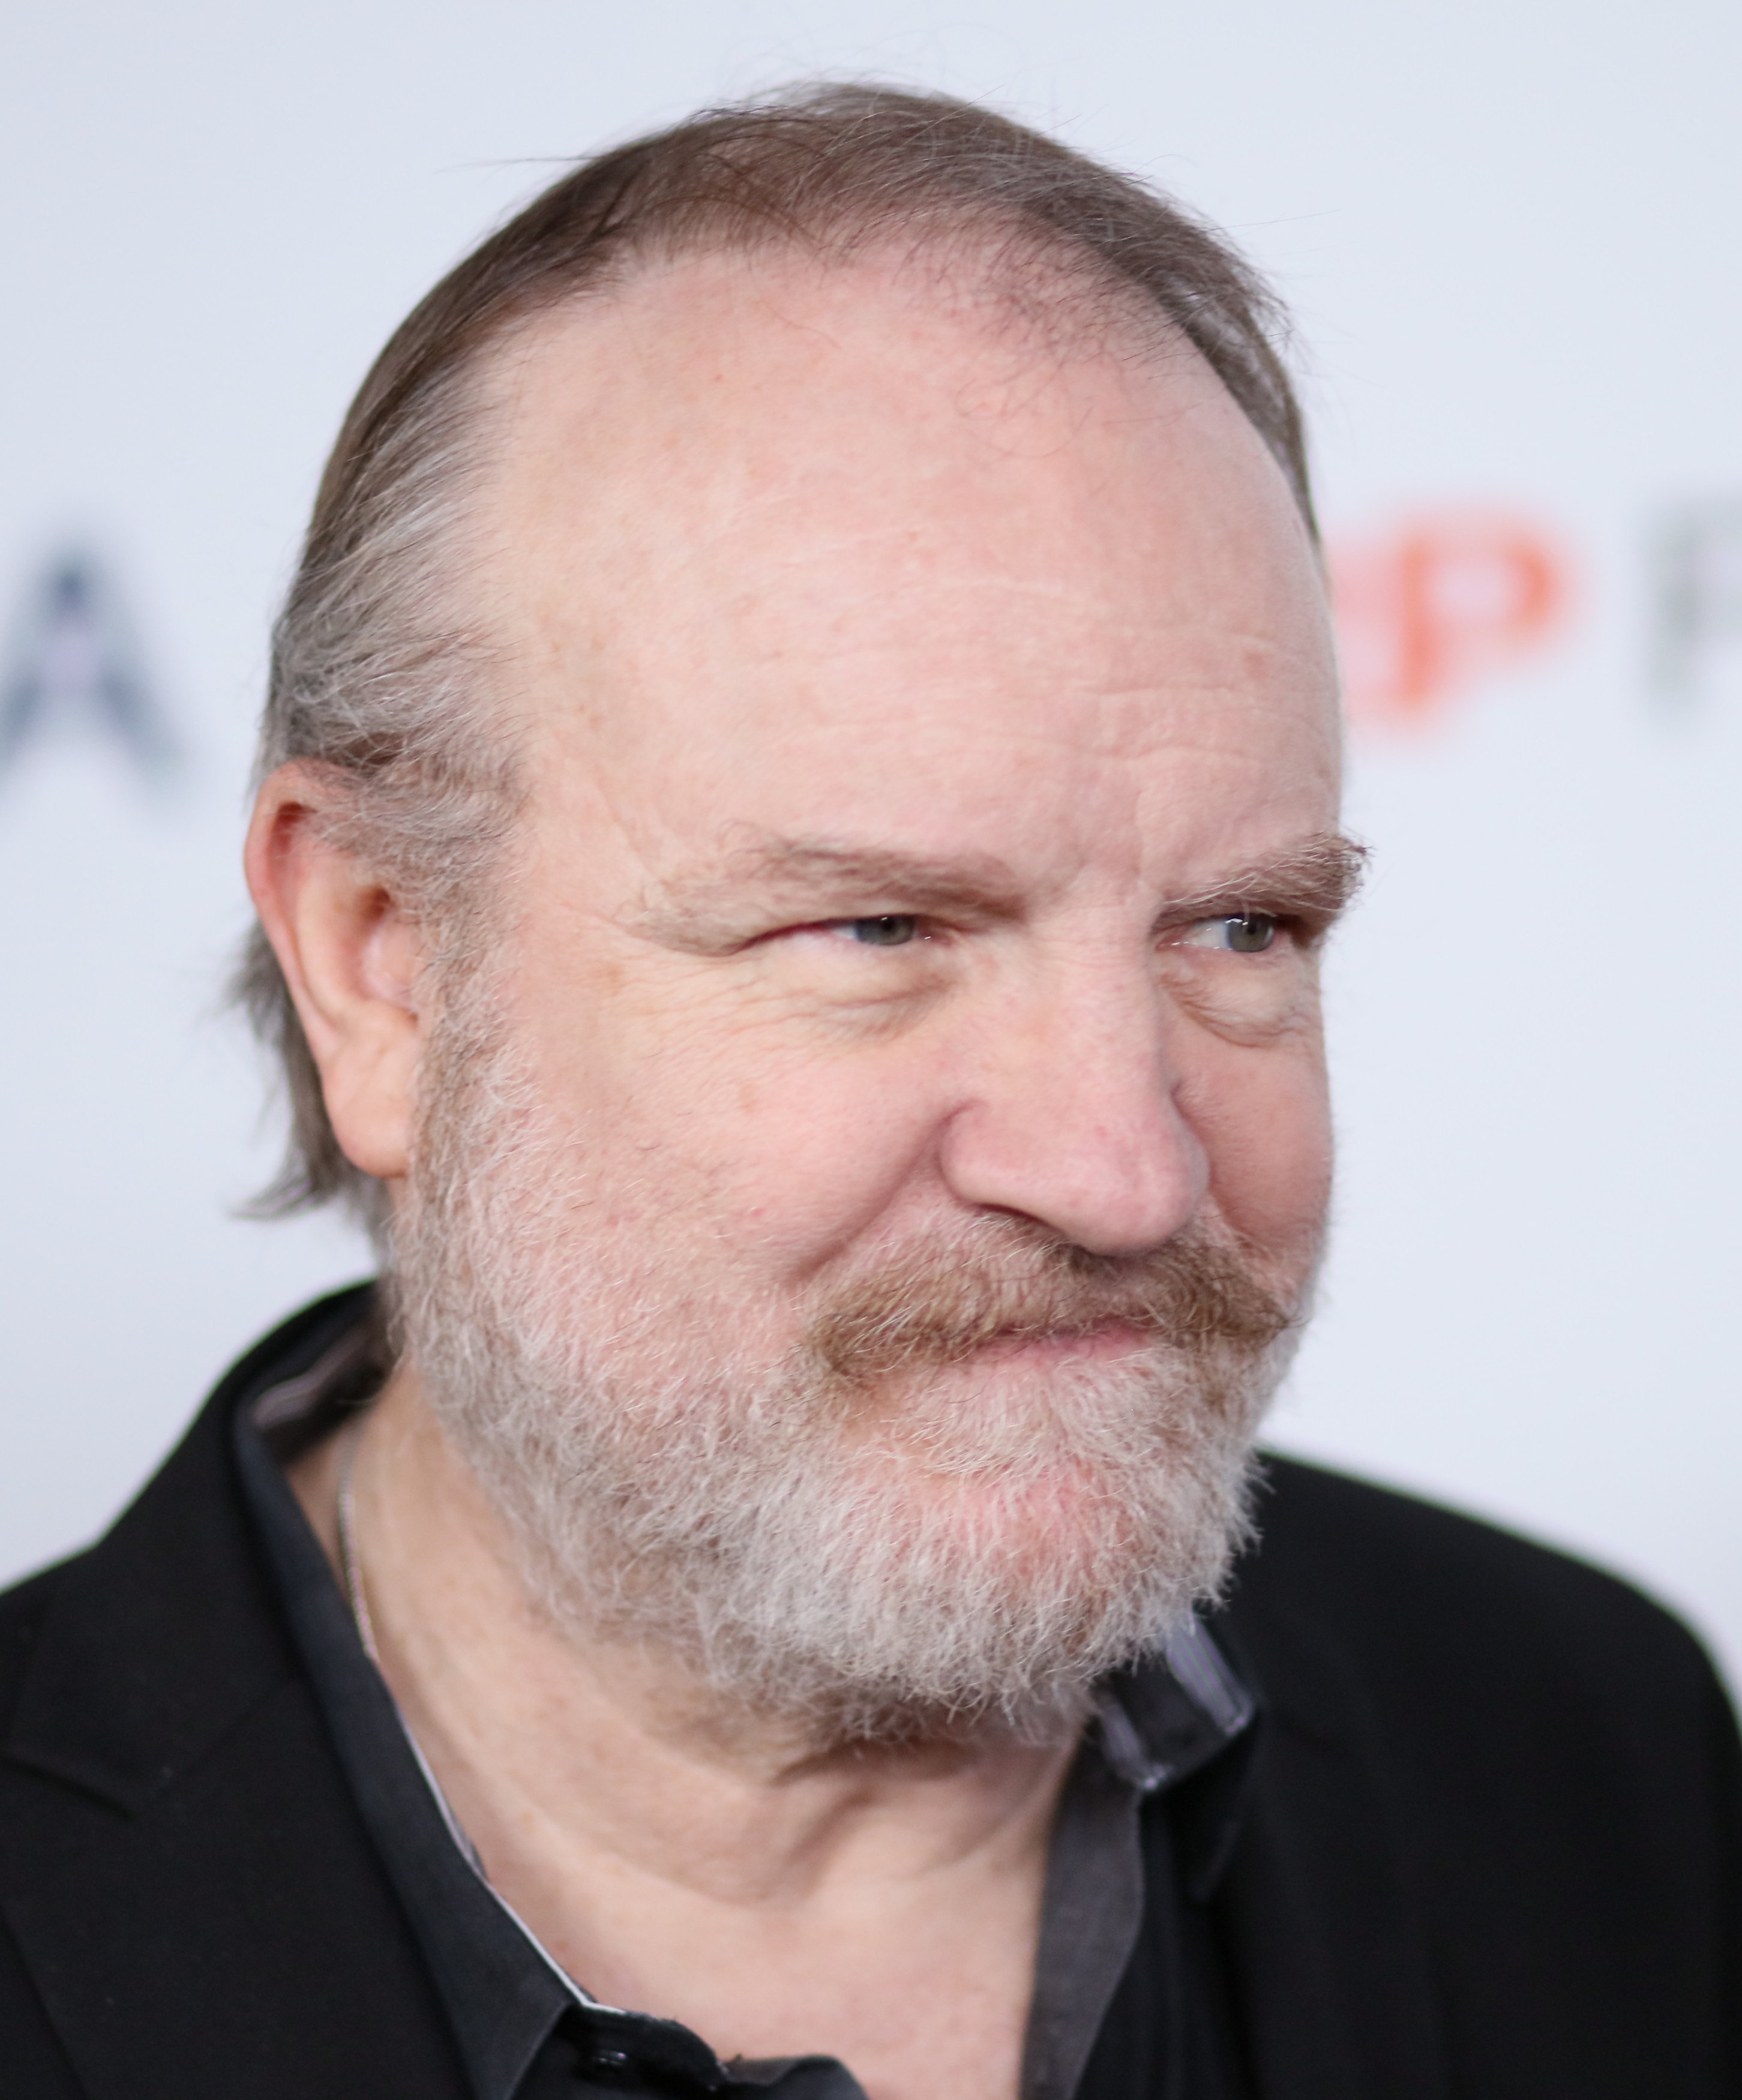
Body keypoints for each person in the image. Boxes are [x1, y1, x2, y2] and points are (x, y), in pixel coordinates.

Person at [0, 85, 1735, 2100]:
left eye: (1243, 928)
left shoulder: (1588, 1759)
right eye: (885, 929)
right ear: (380, 956)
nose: (1121, 1167)